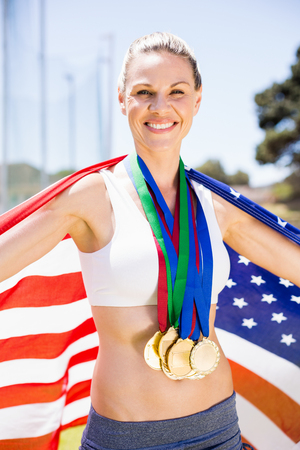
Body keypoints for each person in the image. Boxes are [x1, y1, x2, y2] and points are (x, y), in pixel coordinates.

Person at [0, 31, 299, 450]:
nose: (161, 107)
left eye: (176, 91)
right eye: (144, 92)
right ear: (123, 100)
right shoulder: (91, 197)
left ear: (197, 101)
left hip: (218, 430)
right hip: (125, 437)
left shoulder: (219, 206)